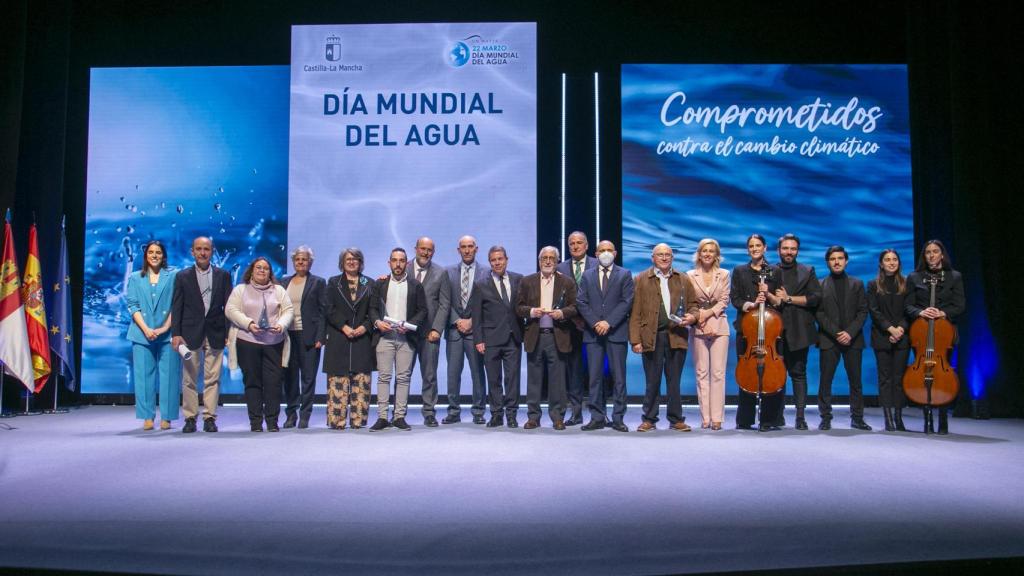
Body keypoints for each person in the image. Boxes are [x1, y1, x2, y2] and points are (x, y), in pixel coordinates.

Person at [629, 243, 699, 432]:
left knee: (674, 380)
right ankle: (649, 419)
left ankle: (676, 419)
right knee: (652, 381)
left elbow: (694, 305)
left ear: (672, 257)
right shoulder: (641, 279)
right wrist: (635, 340)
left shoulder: (683, 279)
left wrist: (693, 316)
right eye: (660, 254)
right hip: (651, 337)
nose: (664, 257)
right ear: (653, 258)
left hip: (676, 336)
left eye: (668, 254)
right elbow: (634, 312)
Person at [171, 236, 232, 434]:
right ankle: (190, 418)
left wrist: (228, 332)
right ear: (192, 251)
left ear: (212, 251)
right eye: (199, 249)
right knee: (189, 379)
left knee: (213, 378)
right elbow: (177, 306)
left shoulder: (223, 275)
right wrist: (176, 334)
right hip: (189, 333)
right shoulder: (182, 276)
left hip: (215, 332)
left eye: (206, 249)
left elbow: (228, 307)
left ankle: (209, 417)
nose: (202, 252)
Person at [226, 257, 294, 432]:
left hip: (273, 343)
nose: (262, 271)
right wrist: (248, 324)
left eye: (265, 268)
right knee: (252, 382)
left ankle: (272, 421)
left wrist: (281, 325)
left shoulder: (279, 290)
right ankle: (255, 422)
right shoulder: (241, 290)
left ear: (270, 272)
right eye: (258, 267)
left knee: (273, 383)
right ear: (252, 270)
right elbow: (231, 310)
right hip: (247, 342)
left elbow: (288, 311)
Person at [905, 239, 965, 435]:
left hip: (944, 334)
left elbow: (959, 305)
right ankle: (927, 417)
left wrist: (942, 313)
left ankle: (943, 417)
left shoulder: (954, 276)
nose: (931, 255)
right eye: (928, 252)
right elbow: (908, 305)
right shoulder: (914, 277)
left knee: (943, 374)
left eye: (935, 251)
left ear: (942, 254)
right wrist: (920, 313)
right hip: (921, 333)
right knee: (922, 373)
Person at [516, 246, 577, 430]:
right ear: (539, 261)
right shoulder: (527, 281)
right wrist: (532, 311)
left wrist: (561, 313)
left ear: (557, 261)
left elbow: (575, 307)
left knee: (557, 381)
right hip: (535, 335)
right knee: (534, 379)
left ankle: (557, 417)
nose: (548, 261)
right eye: (544, 258)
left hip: (557, 336)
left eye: (552, 258)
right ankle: (533, 417)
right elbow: (518, 308)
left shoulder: (567, 282)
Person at [576, 240, 635, 432]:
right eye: (602, 250)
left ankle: (618, 418)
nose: (606, 253)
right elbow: (581, 302)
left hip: (616, 332)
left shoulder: (625, 275)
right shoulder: (587, 275)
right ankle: (596, 416)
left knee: (619, 378)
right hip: (593, 334)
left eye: (609, 250)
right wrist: (595, 323)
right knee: (594, 377)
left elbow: (626, 302)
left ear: (615, 253)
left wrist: (608, 322)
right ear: (596, 253)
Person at [765, 233, 821, 430]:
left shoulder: (807, 271)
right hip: (774, 331)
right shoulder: (769, 270)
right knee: (776, 375)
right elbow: (764, 296)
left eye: (793, 249)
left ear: (797, 250)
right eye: (785, 248)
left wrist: (789, 299)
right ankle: (776, 416)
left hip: (799, 330)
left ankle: (800, 417)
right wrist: (773, 297)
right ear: (779, 250)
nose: (789, 252)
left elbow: (815, 298)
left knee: (798, 374)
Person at [369, 247, 427, 431]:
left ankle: (399, 416)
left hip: (406, 338)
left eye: (402, 260)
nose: (398, 264)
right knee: (384, 377)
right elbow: (372, 309)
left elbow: (422, 311)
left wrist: (409, 324)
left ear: (407, 263)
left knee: (403, 378)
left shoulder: (416, 285)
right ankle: (383, 417)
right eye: (394, 260)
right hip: (384, 337)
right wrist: (377, 322)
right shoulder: (380, 284)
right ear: (389, 263)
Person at [731, 234, 784, 431]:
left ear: (765, 248)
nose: (754, 249)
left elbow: (779, 301)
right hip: (747, 329)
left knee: (771, 374)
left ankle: (769, 419)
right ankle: (745, 419)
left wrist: (767, 293)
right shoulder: (739, 271)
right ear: (748, 249)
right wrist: (751, 304)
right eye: (751, 246)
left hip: (769, 330)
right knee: (747, 373)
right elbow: (734, 298)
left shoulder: (775, 271)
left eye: (758, 245)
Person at [815, 246, 871, 431]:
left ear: (846, 261)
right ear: (828, 262)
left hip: (853, 339)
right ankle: (825, 417)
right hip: (829, 339)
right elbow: (819, 313)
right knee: (826, 380)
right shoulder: (820, 284)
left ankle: (857, 418)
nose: (837, 262)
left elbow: (863, 311)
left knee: (856, 381)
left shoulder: (857, 284)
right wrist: (837, 333)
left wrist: (850, 332)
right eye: (833, 259)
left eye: (840, 258)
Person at [125, 240, 178, 430]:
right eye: (150, 252)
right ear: (145, 256)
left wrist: (164, 328)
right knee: (143, 376)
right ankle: (147, 416)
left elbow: (177, 304)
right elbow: (132, 305)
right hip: (141, 333)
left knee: (169, 376)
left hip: (168, 333)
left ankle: (167, 416)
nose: (154, 255)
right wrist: (146, 328)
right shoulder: (135, 277)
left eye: (158, 252)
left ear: (163, 256)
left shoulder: (173, 275)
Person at [322, 248, 375, 429]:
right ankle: (337, 421)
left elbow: (374, 311)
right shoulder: (333, 282)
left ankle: (358, 421)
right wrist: (344, 326)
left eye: (355, 259)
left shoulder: (369, 283)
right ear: (342, 262)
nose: (352, 262)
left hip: (362, 339)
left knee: (361, 381)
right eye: (348, 259)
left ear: (360, 262)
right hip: (339, 337)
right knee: (338, 380)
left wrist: (364, 327)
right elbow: (329, 309)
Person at [471, 245, 524, 428]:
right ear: (490, 262)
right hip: (491, 339)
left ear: (506, 260)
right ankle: (496, 414)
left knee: (512, 379)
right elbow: (476, 315)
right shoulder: (480, 284)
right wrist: (478, 340)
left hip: (513, 337)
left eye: (500, 259)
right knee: (493, 379)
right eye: (493, 260)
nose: (497, 262)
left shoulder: (518, 279)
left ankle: (511, 414)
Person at [686, 239, 731, 430]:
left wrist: (707, 314)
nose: (707, 254)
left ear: (716, 255)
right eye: (704, 250)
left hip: (720, 326)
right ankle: (705, 417)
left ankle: (717, 418)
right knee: (701, 373)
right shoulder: (690, 275)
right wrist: (699, 318)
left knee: (718, 373)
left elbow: (723, 301)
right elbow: (689, 302)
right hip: (698, 327)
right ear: (699, 253)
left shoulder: (725, 274)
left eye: (711, 251)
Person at [443, 236, 489, 424]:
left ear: (476, 249)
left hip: (475, 331)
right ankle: (453, 411)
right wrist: (457, 320)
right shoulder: (448, 272)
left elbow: (487, 303)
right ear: (458, 250)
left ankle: (478, 412)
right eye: (464, 247)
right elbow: (444, 300)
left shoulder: (486, 272)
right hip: (454, 331)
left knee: (478, 372)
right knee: (453, 373)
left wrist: (472, 321)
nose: (467, 250)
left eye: (470, 247)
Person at [280, 246, 326, 429]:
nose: (300, 262)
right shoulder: (283, 283)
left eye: (304, 259)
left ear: (310, 262)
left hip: (309, 336)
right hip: (286, 336)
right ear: (293, 262)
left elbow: (324, 312)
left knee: (308, 378)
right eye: (297, 259)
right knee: (289, 377)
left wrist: (321, 337)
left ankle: (305, 415)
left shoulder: (318, 282)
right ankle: (291, 414)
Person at [556, 231, 599, 426]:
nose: (575, 246)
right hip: (570, 326)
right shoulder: (560, 268)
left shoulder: (598, 264)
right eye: (571, 243)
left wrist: (590, 320)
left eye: (579, 242)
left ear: (587, 245)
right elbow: (558, 298)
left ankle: (599, 413)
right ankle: (576, 413)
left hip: (595, 326)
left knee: (597, 370)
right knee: (573, 371)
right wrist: (574, 319)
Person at [408, 237, 451, 427]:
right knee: (403, 375)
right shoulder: (403, 267)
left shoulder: (441, 273)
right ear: (415, 249)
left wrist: (437, 329)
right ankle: (398, 412)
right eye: (422, 249)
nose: (425, 252)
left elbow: (444, 304)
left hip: (429, 333)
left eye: (429, 250)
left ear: (433, 252)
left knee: (430, 375)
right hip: (405, 332)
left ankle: (429, 413)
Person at [866, 249, 910, 432]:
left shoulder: (908, 283)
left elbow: (910, 309)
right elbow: (874, 311)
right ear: (881, 264)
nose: (891, 263)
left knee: (899, 378)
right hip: (882, 336)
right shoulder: (873, 285)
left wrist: (900, 328)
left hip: (902, 336)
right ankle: (888, 418)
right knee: (885, 379)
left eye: (894, 260)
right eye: (887, 260)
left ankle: (899, 417)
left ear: (899, 263)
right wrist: (890, 329)